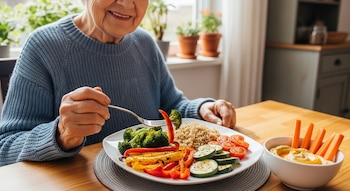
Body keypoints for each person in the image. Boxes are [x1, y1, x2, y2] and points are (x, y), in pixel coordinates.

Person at [0, 0, 236, 166]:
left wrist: (202, 109)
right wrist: (60, 133)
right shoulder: (43, 46)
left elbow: (172, 107)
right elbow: (5, 148)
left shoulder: (145, 43)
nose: (126, 3)